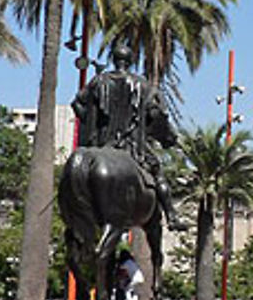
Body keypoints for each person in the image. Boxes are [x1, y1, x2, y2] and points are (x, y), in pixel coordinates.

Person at [71, 44, 187, 231]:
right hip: (131, 146)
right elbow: (155, 114)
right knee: (157, 172)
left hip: (101, 144)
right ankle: (172, 217)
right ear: (130, 62)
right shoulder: (142, 84)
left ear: (114, 60)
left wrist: (89, 120)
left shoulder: (98, 81)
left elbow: (77, 104)